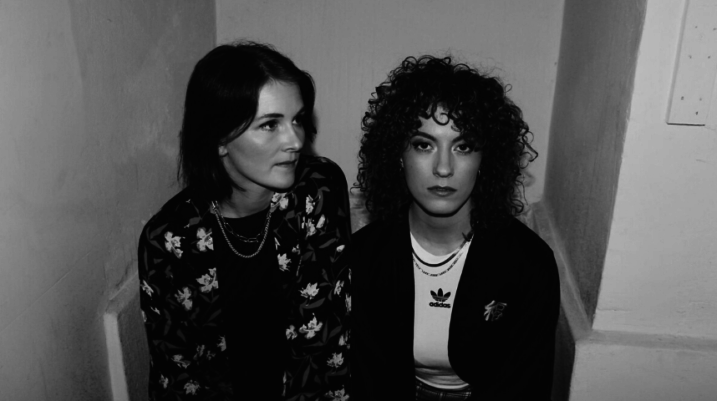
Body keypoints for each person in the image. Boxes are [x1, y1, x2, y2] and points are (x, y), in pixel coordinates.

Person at [138, 42, 351, 401]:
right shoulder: (169, 239)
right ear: (219, 139)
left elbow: (331, 339)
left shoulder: (318, 192)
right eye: (270, 124)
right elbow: (176, 373)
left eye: (297, 119)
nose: (295, 140)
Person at [351, 55, 559, 400]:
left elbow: (525, 386)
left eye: (463, 147)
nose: (444, 168)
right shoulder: (363, 256)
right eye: (423, 145)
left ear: (484, 159)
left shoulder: (528, 263)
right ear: (398, 155)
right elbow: (364, 381)